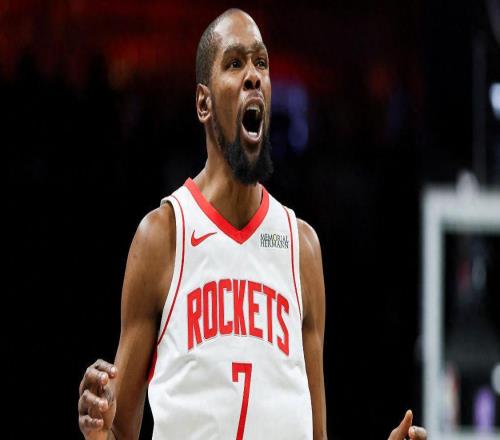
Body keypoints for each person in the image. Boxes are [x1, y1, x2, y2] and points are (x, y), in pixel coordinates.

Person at [78, 9, 427, 440]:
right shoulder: (163, 237)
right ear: (203, 103)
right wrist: (99, 433)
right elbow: (119, 431)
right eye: (234, 63)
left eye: (261, 63)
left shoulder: (302, 248)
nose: (253, 76)